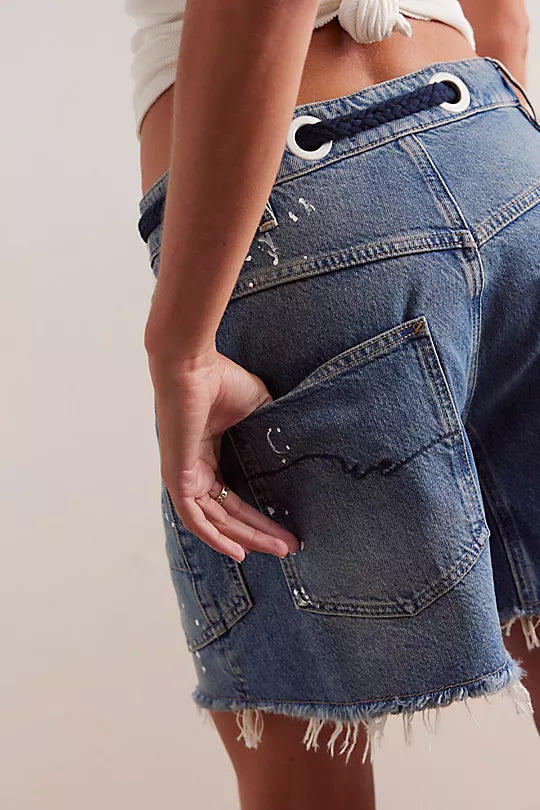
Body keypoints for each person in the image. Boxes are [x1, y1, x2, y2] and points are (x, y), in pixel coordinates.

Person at [125, 1, 540, 807]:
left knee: (296, 757)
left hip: (303, 208)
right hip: (500, 153)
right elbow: (506, 21)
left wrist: (180, 345)